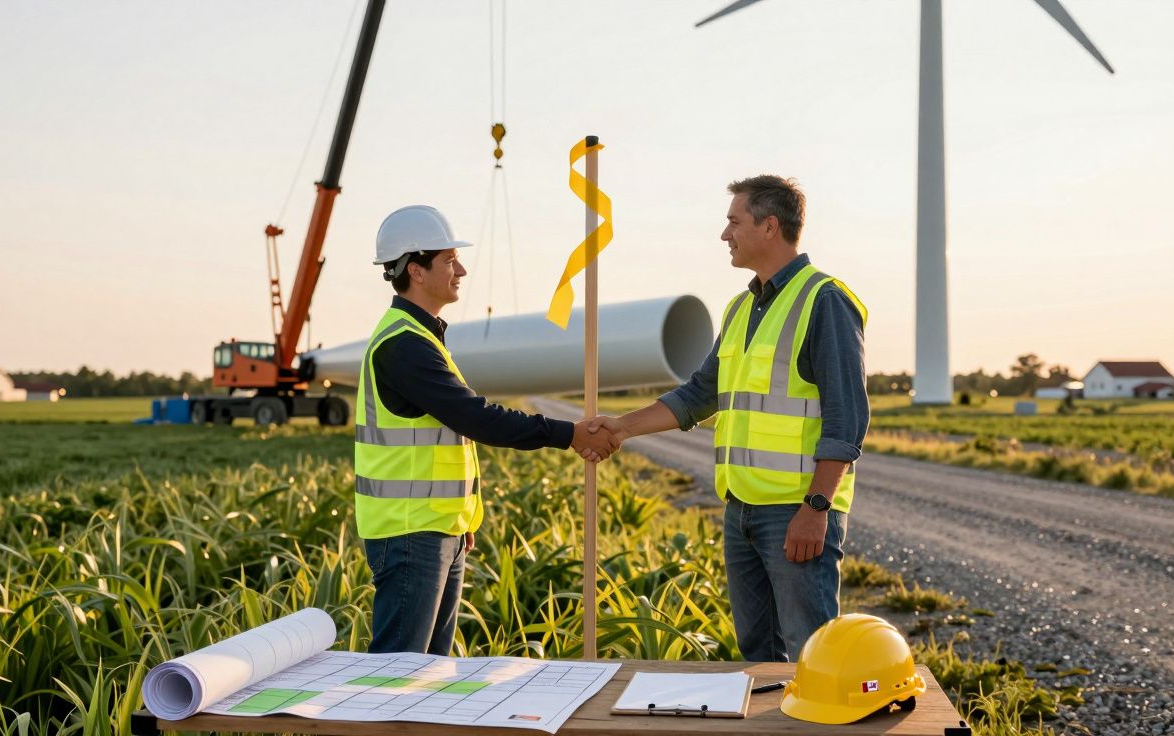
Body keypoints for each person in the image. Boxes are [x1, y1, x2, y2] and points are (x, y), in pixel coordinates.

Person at [586, 176, 868, 661]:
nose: (725, 235)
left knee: (813, 656)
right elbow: (700, 393)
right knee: (759, 653)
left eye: (734, 222)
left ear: (769, 226)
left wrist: (816, 508)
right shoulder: (741, 308)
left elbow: (847, 418)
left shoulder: (824, 301)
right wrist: (623, 427)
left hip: (795, 511)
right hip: (741, 510)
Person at [357, 204, 620, 656]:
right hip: (411, 535)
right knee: (395, 679)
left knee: (428, 674)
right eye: (449, 260)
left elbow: (446, 437)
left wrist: (460, 522)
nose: (461, 269)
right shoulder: (404, 345)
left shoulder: (420, 337)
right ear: (416, 271)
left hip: (438, 531)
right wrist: (569, 433)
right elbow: (476, 418)